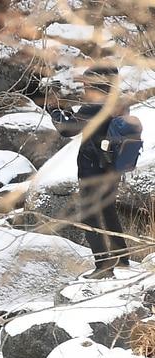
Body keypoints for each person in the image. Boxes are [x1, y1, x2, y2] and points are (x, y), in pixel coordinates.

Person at [48, 66, 139, 279]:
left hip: (94, 169)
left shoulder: (96, 105)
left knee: (89, 214)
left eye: (87, 84)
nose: (84, 88)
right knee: (107, 210)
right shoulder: (118, 102)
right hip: (112, 168)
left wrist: (53, 110)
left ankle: (103, 266)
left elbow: (66, 129)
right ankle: (122, 260)